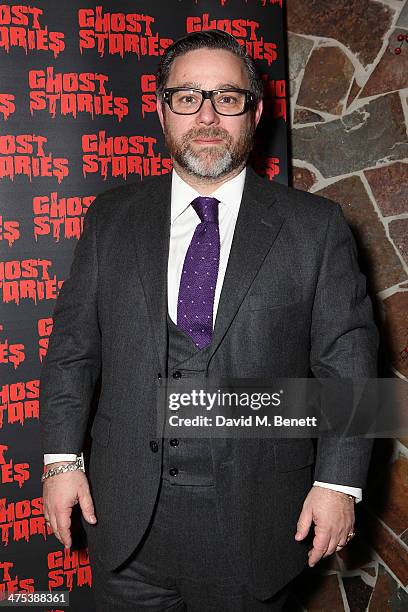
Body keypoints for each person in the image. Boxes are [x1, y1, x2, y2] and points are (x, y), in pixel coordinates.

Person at [40, 29, 378, 611]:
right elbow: (74, 351)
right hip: (125, 524)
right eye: (187, 97)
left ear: (255, 110)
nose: (207, 116)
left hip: (258, 524)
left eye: (227, 98)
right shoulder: (111, 216)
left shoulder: (317, 227)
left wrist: (340, 483)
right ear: (161, 109)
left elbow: (348, 364)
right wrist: (60, 462)